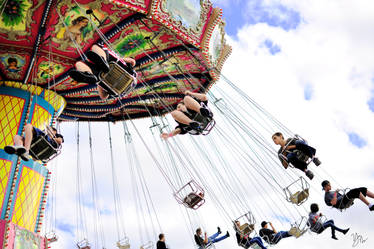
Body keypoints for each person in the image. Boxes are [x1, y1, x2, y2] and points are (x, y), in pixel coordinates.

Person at [69, 44, 137, 99]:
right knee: (78, 64)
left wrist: (122, 59)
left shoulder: (129, 66)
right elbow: (103, 97)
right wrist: (100, 86)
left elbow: (132, 61)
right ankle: (90, 73)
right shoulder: (115, 91)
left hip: (111, 64)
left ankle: (102, 61)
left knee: (95, 46)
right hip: (102, 76)